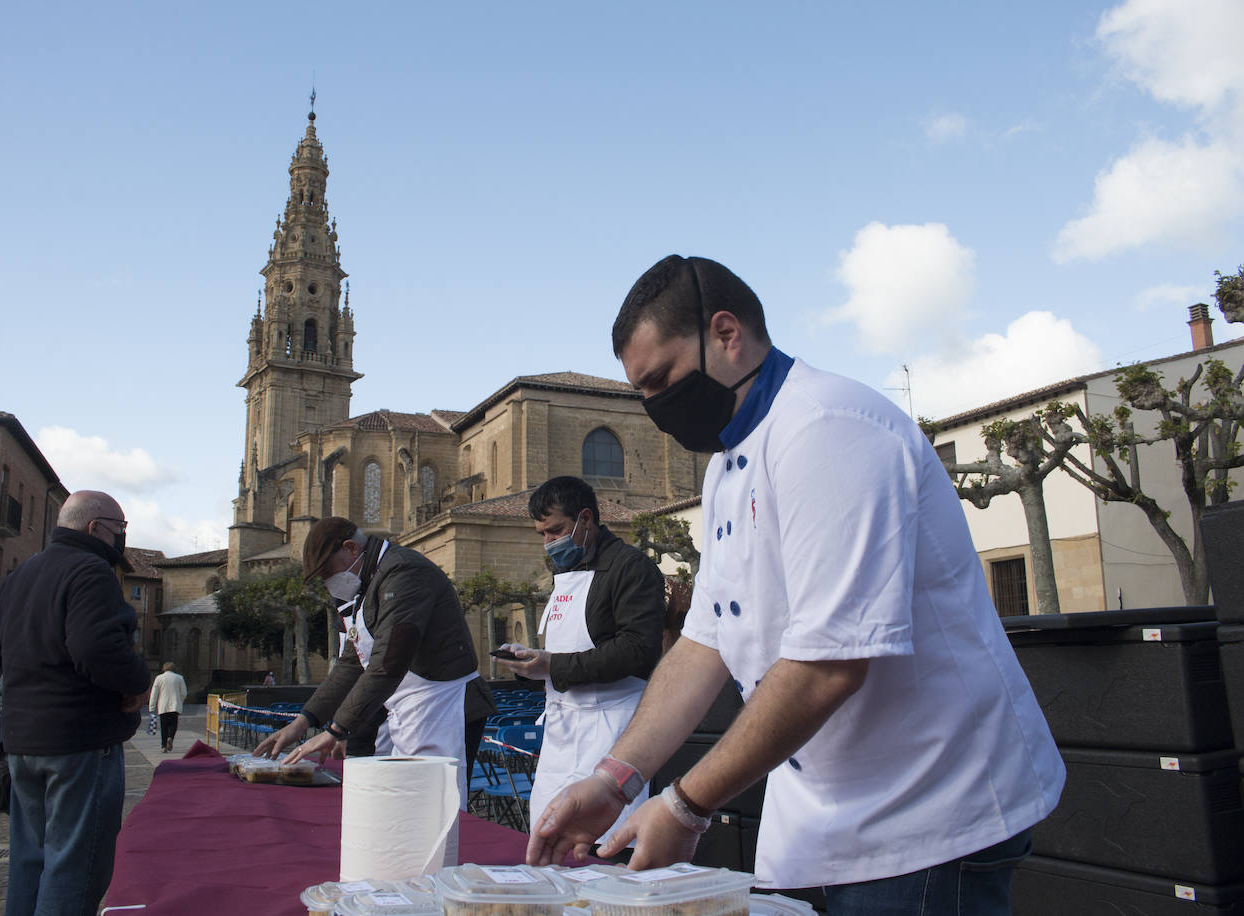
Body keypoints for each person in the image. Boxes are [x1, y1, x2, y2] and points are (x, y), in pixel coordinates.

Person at [527, 255, 1066, 914]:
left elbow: (828, 667)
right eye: (641, 391)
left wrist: (684, 805)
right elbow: (702, 644)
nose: (655, 407)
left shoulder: (829, 427)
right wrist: (616, 777)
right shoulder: (727, 465)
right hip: (833, 811)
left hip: (929, 810)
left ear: (726, 335)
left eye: (661, 379)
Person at [0, 490, 152, 916]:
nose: (122, 539)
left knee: (30, 859)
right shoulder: (91, 570)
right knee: (76, 864)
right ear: (96, 528)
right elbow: (96, 648)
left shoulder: (20, 575)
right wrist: (136, 684)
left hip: (23, 742)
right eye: (121, 530)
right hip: (79, 740)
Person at [256, 516, 479, 800]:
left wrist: (337, 730)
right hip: (411, 711)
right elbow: (351, 663)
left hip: (443, 706)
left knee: (435, 805)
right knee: (409, 804)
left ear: (350, 548)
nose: (329, 583)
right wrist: (303, 720)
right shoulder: (368, 582)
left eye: (328, 572)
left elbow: (389, 661)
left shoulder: (403, 571)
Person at [495, 476, 664, 843]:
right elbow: (557, 652)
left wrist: (552, 666)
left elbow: (637, 650)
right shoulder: (564, 575)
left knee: (607, 847)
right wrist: (529, 666)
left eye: (556, 530)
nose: (548, 542)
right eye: (542, 533)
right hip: (560, 735)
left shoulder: (631, 568)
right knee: (550, 841)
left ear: (586, 519)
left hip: (612, 732)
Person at [149, 661, 188, 753]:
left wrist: (152, 707)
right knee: (173, 724)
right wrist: (180, 700)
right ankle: (170, 737)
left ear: (164, 668)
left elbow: (154, 693)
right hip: (175, 706)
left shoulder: (159, 678)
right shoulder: (179, 678)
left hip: (163, 706)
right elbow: (184, 693)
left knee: (164, 726)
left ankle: (163, 745)